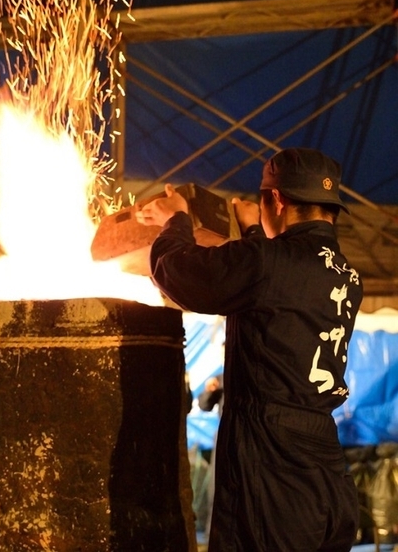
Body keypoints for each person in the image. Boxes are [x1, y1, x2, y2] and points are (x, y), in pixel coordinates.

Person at [137, 148, 363, 552]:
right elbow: (279, 290)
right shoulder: (347, 275)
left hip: (271, 463)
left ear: (276, 199)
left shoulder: (267, 262)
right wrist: (255, 233)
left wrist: (176, 219)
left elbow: (178, 271)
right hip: (324, 466)